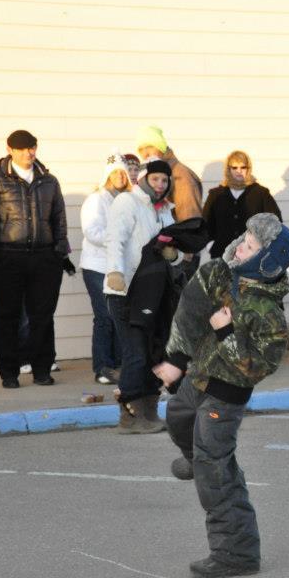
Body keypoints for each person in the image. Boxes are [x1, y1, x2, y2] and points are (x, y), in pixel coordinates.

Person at [155, 213, 289, 578]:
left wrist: (227, 331)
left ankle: (236, 553)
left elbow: (258, 366)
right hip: (198, 377)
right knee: (178, 417)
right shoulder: (221, 272)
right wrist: (175, 360)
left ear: (266, 261)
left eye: (250, 245)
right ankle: (195, 458)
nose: (240, 246)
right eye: (243, 237)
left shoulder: (269, 312)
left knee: (217, 471)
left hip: (228, 393)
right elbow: (189, 310)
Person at [0, 129, 69, 388]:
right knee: (6, 316)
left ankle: (41, 369)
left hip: (44, 258)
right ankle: (9, 373)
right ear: (10, 149)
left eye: (32, 147)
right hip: (6, 258)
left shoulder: (49, 181)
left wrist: (59, 251)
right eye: (23, 148)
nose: (29, 152)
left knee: (43, 315)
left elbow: (59, 218)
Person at [105, 159, 177, 433]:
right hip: (125, 290)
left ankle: (149, 411)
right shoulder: (127, 202)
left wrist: (177, 253)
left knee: (151, 352)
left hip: (153, 291)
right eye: (156, 179)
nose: (160, 184)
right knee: (135, 352)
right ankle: (129, 415)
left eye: (164, 181)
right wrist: (114, 271)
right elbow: (116, 238)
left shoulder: (164, 209)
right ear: (144, 178)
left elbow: (173, 242)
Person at [80, 152, 131, 384]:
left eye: (123, 172)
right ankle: (102, 367)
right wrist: (117, 239)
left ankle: (120, 365)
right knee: (104, 316)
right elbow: (92, 231)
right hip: (97, 266)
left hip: (119, 267)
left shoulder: (128, 199)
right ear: (107, 175)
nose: (120, 176)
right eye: (115, 172)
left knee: (119, 315)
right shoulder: (96, 200)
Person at [202, 150, 282, 259]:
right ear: (228, 169)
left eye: (243, 167)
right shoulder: (216, 194)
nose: (239, 171)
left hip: (253, 256)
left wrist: (263, 244)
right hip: (222, 254)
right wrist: (210, 245)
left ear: (248, 169)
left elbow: (274, 221)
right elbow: (205, 223)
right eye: (234, 168)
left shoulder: (260, 193)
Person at [135, 125, 203, 220]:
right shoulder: (149, 174)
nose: (145, 153)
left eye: (150, 147)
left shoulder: (180, 175)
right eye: (141, 149)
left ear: (161, 147)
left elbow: (189, 220)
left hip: (175, 234)